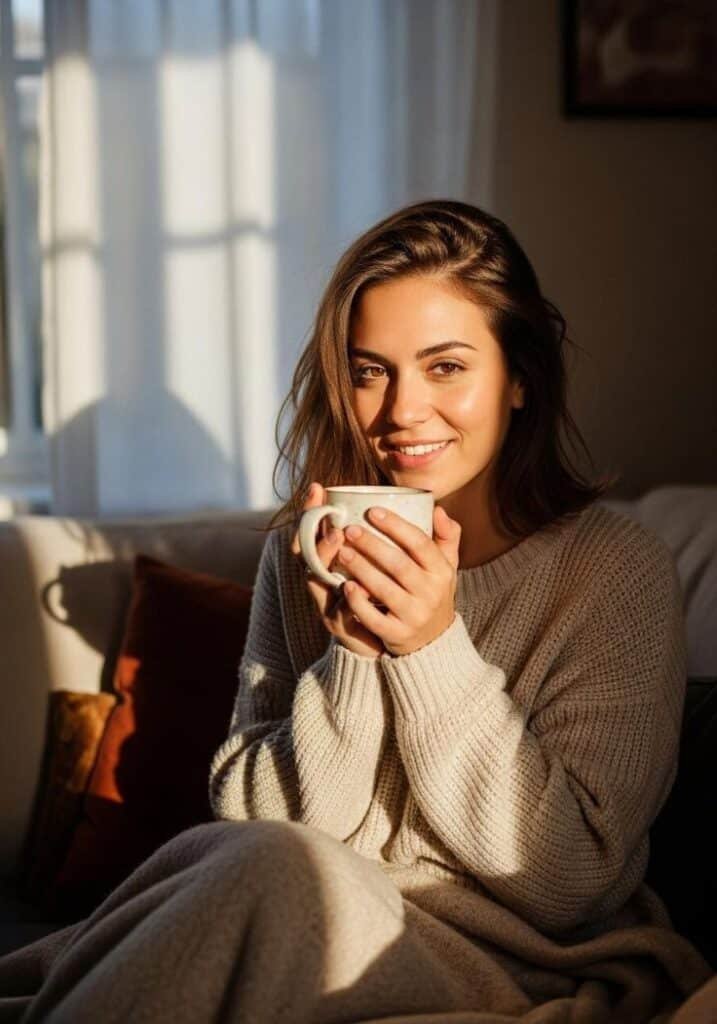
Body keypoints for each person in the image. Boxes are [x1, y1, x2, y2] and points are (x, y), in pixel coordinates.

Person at [1, 199, 714, 1022]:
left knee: (265, 874)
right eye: (370, 371)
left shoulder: (614, 573)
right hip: (291, 906)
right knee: (255, 862)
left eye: (445, 367)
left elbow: (565, 880)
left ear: (520, 376)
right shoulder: (301, 553)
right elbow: (263, 822)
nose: (401, 413)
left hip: (519, 954)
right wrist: (353, 660)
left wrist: (430, 649)